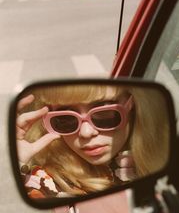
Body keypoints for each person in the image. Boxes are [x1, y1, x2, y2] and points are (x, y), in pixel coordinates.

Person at [16, 83, 169, 198]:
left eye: (104, 114)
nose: (86, 132)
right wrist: (17, 160)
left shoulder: (171, 152)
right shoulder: (53, 181)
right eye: (65, 119)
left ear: (133, 105)